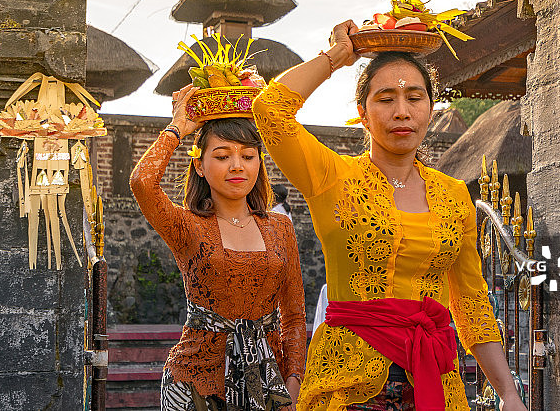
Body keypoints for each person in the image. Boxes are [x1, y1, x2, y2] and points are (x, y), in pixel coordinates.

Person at [251, 21, 527, 410]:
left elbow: (472, 304)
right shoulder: (332, 177)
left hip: (433, 382)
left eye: (415, 98)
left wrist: (509, 393)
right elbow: (269, 111)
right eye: (385, 99)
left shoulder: (453, 195)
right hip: (349, 385)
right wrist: (336, 57)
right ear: (362, 114)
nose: (402, 112)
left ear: (431, 109)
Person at [130, 84, 307, 411]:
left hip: (267, 382)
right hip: (194, 384)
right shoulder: (186, 226)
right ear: (199, 165)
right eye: (223, 156)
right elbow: (142, 182)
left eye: (248, 156)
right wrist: (177, 129)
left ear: (259, 163)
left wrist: (292, 381)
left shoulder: (280, 227)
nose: (237, 166)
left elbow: (294, 316)